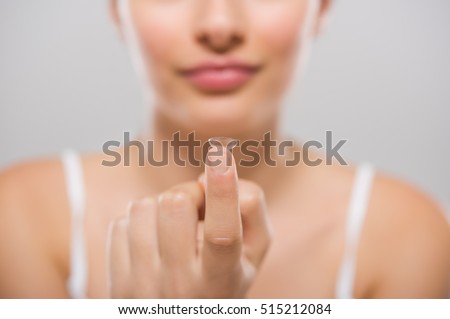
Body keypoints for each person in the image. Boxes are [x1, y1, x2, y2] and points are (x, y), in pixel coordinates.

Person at [0, 0, 449, 299]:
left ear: (322, 7)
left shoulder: (407, 235)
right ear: (117, 9)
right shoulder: (18, 217)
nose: (219, 26)